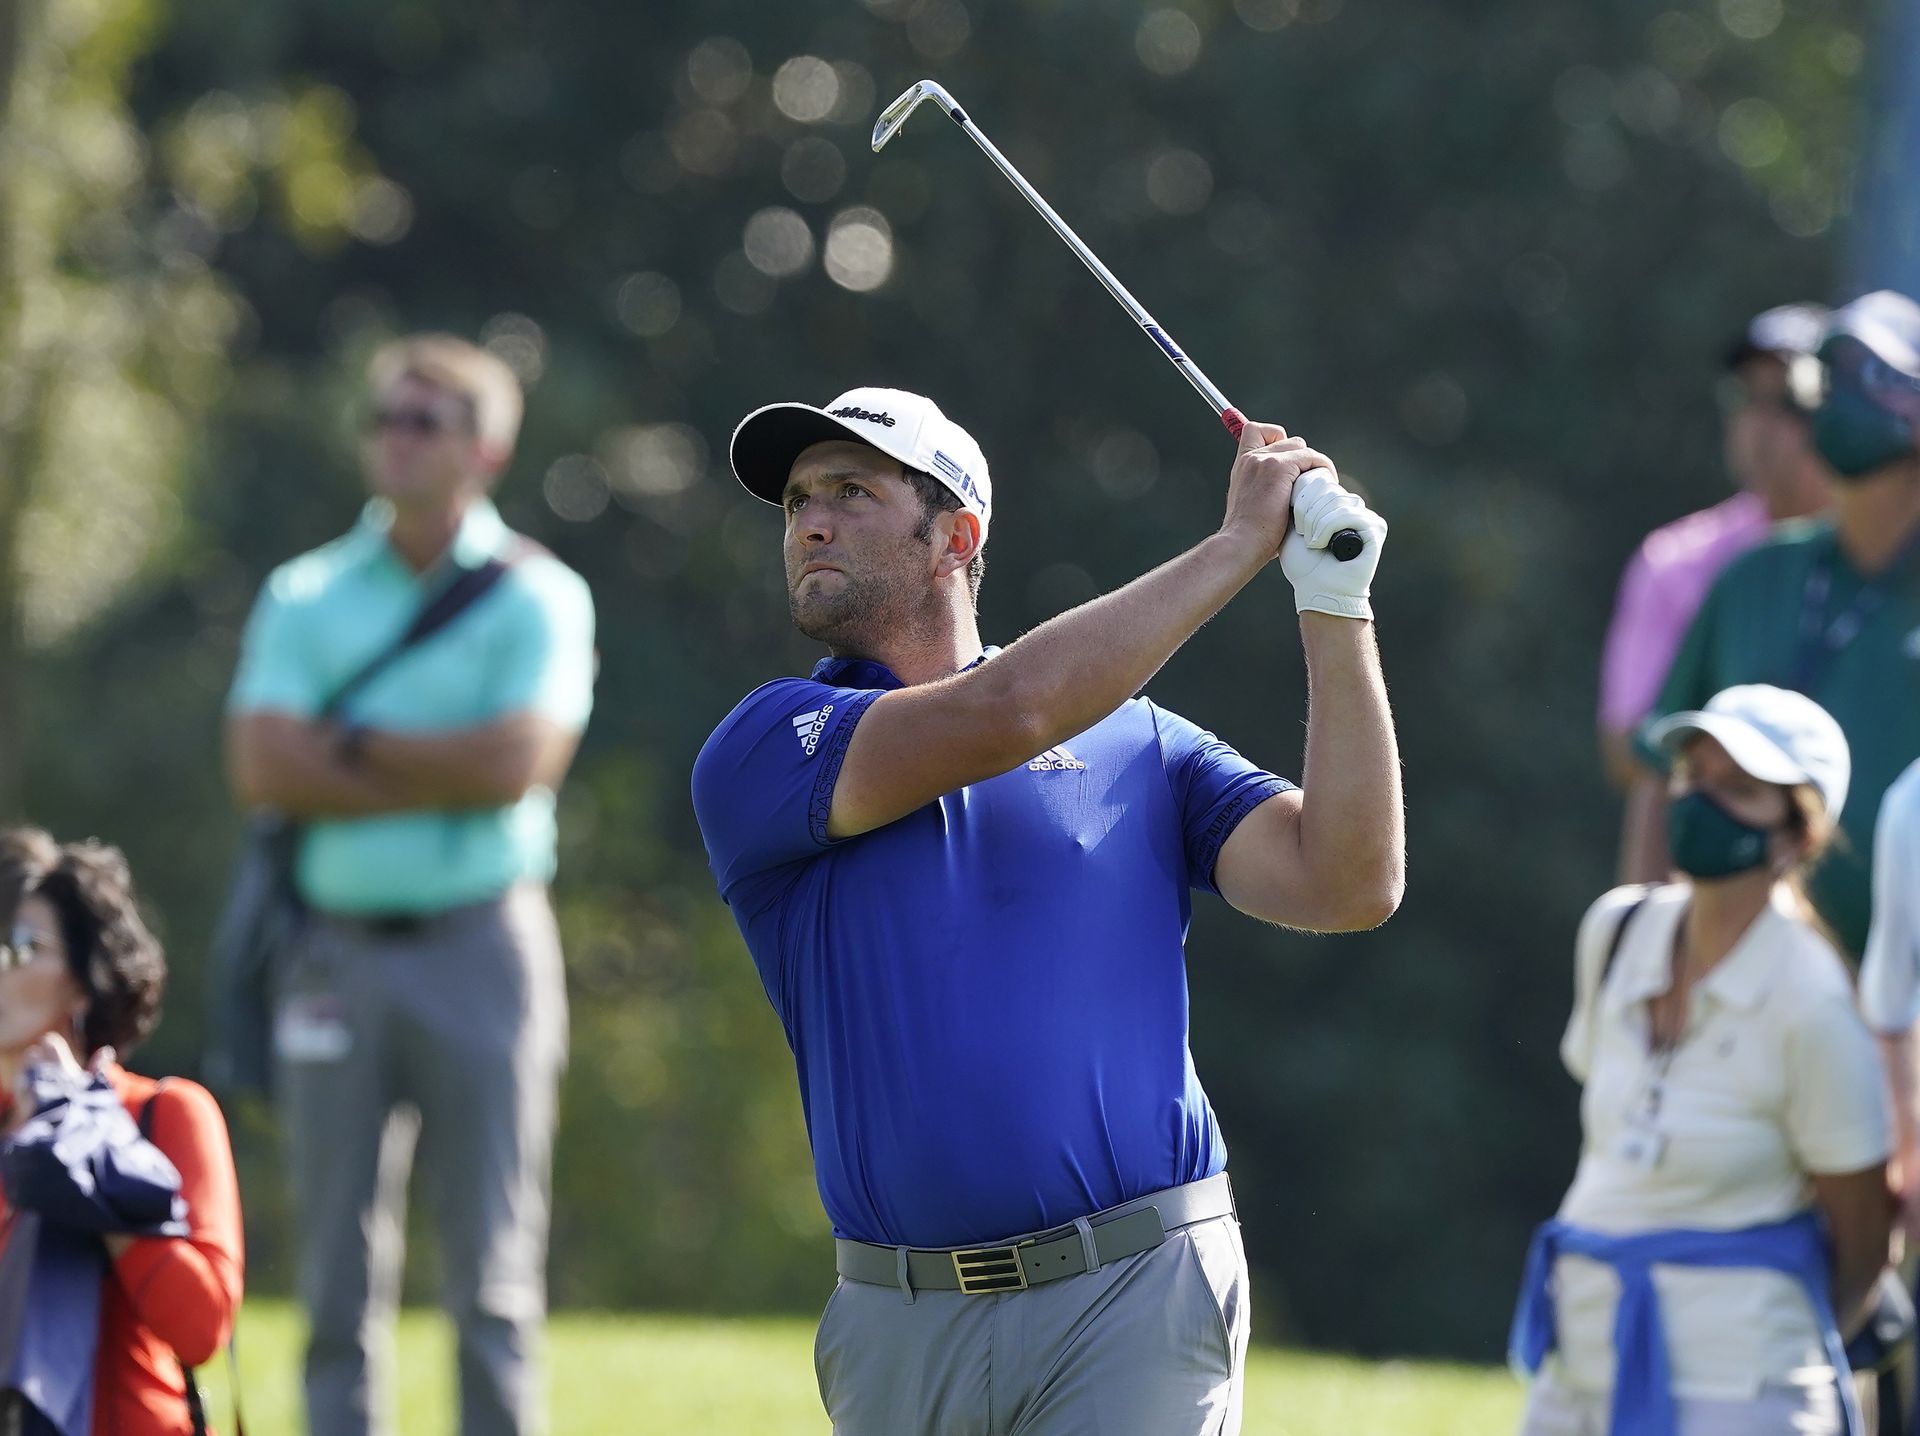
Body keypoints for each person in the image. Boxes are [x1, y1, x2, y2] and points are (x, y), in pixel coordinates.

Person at [691, 386, 1402, 1435]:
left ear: (956, 537)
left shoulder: (1139, 740)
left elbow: (1347, 882)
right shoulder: (770, 743)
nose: (811, 523)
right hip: (899, 1316)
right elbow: (1008, 710)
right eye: (798, 502)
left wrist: (1335, 604)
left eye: (851, 491)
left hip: (1134, 1292)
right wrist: (1235, 547)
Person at [223, 334, 596, 1436]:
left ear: (486, 449)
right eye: (384, 416)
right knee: (333, 1276)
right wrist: (437, 762)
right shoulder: (305, 590)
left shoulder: (538, 594)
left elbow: (515, 764)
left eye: (424, 420)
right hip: (331, 950)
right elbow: (261, 767)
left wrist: (344, 746)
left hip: (484, 945)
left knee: (493, 1275)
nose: (395, 437)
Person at [1512, 685, 1892, 1436]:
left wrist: (1754, 1329)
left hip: (1746, 1388)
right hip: (1581, 1364)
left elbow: (1864, 1239)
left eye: (1739, 789)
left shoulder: (1814, 1002)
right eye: (1694, 776)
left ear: (1798, 834)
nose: (1699, 802)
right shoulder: (1616, 931)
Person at [1621, 290, 1920, 964]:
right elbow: (1659, 772)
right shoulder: (1753, 578)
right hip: (1746, 990)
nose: (1836, 400)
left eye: (1869, 375)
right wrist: (1642, 949)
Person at [0, 828, 243, 1434]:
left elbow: (202, 1328)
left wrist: (88, 1153)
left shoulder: (164, 1115)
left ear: (86, 979)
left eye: (19, 947)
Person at [1598, 303, 1830, 794]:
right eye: (1746, 397)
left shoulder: (1886, 561)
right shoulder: (1674, 561)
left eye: (1788, 401)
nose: (1760, 423)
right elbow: (1626, 747)